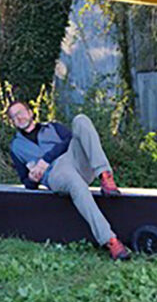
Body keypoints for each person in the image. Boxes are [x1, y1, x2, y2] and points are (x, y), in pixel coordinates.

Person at [7, 100, 131, 261]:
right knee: (74, 182)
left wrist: (45, 160)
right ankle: (110, 240)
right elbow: (26, 181)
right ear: (13, 123)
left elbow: (70, 141)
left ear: (30, 113)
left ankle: (105, 176)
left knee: (81, 120)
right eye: (14, 116)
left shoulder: (53, 127)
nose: (19, 117)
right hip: (57, 175)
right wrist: (32, 178)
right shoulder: (16, 146)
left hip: (76, 161)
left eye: (21, 112)